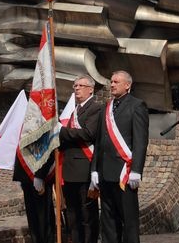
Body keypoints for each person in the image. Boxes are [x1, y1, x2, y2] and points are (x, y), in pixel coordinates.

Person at [90, 70, 149, 243]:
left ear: (127, 85)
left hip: (125, 173)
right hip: (105, 173)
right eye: (111, 82)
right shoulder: (106, 107)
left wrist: (136, 170)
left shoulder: (137, 105)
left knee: (129, 222)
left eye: (116, 82)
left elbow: (140, 141)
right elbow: (99, 141)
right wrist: (94, 168)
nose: (112, 85)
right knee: (108, 221)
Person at [58, 75, 101, 243]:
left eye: (81, 85)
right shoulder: (74, 110)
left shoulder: (95, 108)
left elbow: (88, 133)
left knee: (87, 216)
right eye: (75, 85)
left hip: (84, 168)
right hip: (69, 169)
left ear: (91, 89)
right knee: (72, 215)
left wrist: (61, 131)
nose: (76, 88)